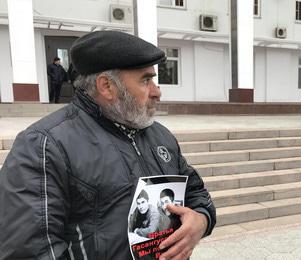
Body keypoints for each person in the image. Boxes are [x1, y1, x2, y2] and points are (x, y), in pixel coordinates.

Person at [0, 30, 216, 260]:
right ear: (107, 87)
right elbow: (30, 251)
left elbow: (196, 194)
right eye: (146, 80)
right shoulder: (45, 146)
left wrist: (200, 221)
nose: (157, 92)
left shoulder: (159, 136)